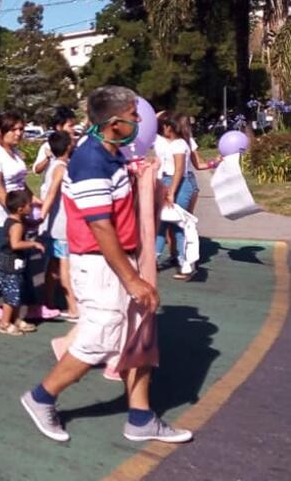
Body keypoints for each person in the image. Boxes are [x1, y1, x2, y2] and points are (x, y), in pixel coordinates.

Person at [21, 86, 193, 445]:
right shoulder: (90, 161)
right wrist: (132, 279)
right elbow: (101, 227)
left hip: (118, 262)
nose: (140, 120)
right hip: (100, 266)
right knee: (99, 340)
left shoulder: (110, 155)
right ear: (114, 123)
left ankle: (141, 417)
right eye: (134, 115)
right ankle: (41, 397)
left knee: (139, 337)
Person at [0, 113, 53, 320]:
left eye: (21, 129)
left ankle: (32, 304)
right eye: (14, 129)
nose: (19, 133)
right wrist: (14, 213)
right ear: (0, 131)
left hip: (15, 215)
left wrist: (33, 200)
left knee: (21, 259)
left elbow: (19, 182)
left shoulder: (14, 152)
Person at [154, 112, 199, 279]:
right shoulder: (175, 143)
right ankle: (153, 259)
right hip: (168, 180)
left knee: (178, 225)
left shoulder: (179, 144)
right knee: (162, 225)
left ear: (170, 128)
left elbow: (179, 170)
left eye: (164, 126)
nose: (162, 129)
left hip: (177, 183)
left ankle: (186, 263)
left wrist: (171, 191)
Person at [39, 131, 78, 320]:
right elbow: (52, 193)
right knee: (65, 266)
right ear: (68, 146)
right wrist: (42, 215)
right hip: (59, 224)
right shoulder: (60, 168)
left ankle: (48, 301)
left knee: (53, 265)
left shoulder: (57, 165)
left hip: (55, 223)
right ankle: (72, 307)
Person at [0, 190, 45, 336]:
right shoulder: (17, 225)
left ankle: (16, 319)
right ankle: (5, 323)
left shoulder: (15, 220)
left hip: (16, 263)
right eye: (29, 206)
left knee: (17, 292)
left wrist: (37, 221)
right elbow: (15, 244)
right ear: (20, 209)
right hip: (11, 263)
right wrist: (33, 244)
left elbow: (28, 223)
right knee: (11, 294)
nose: (31, 208)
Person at [33, 107, 78, 175]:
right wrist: (47, 158)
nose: (74, 129)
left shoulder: (76, 145)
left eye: (74, 125)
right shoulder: (48, 146)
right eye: (70, 126)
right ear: (59, 127)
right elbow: (37, 170)